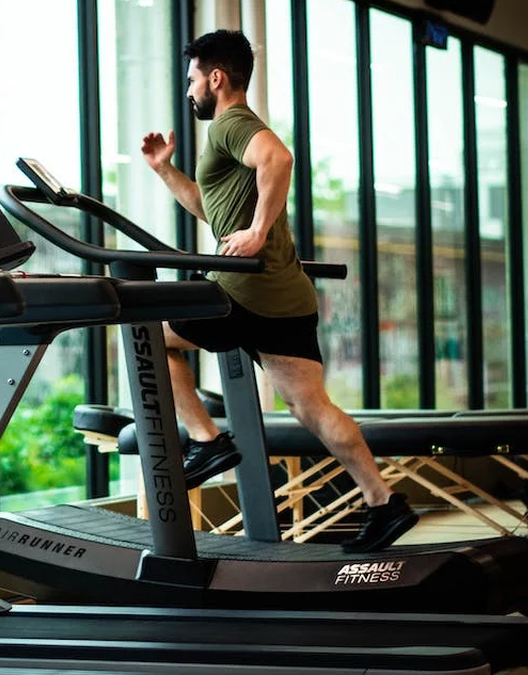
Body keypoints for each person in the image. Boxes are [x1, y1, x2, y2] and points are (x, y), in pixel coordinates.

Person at [140, 29, 416, 554]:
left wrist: (257, 231)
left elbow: (279, 160)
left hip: (242, 290)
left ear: (215, 78)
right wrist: (165, 170)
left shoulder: (232, 124)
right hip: (286, 296)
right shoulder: (231, 133)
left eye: (192, 80)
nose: (189, 90)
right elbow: (213, 211)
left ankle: (207, 441)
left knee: (147, 333)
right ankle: (384, 502)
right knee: (313, 408)